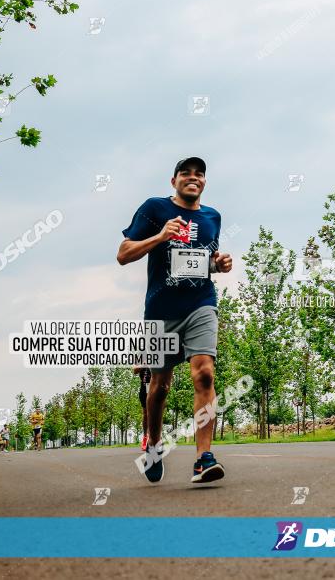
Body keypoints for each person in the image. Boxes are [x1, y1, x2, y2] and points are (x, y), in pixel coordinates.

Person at [118, 156, 233, 484]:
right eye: (186, 173)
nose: (193, 178)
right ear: (174, 181)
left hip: (201, 304)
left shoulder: (213, 217)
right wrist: (159, 237)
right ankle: (153, 445)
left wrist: (218, 264)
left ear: (204, 183)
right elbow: (123, 254)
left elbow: (202, 260)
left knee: (205, 374)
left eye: (199, 174)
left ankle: (203, 458)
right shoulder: (154, 209)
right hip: (160, 312)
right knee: (159, 387)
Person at [133, 366, 151, 451]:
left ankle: (155, 437)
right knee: (145, 414)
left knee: (156, 412)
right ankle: (145, 437)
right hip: (144, 387)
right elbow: (135, 370)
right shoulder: (142, 355)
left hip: (156, 385)